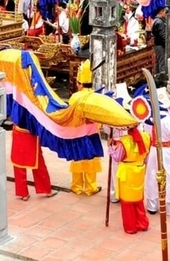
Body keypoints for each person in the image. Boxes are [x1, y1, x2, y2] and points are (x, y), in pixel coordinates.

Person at [109, 122, 150, 234]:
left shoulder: (124, 142)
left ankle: (131, 227)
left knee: (127, 202)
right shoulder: (146, 136)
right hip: (139, 168)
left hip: (127, 171)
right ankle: (142, 223)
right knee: (138, 199)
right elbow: (147, 153)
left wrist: (111, 147)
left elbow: (117, 157)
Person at [144, 88, 170, 216]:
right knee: (169, 176)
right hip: (168, 151)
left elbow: (147, 135)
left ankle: (152, 205)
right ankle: (169, 207)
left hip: (154, 149)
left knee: (152, 176)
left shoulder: (150, 119)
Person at [68, 60, 101, 196]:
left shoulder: (74, 98)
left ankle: (76, 186)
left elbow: (70, 115)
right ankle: (90, 187)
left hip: (77, 133)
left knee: (77, 158)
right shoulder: (96, 97)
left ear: (80, 83)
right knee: (90, 160)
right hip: (92, 133)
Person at [11, 125, 56, 200]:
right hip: (30, 132)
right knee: (38, 162)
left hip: (19, 130)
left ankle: (23, 194)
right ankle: (46, 190)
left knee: (19, 162)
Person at [150, 7, 168, 79]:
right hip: (160, 44)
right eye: (164, 12)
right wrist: (167, 44)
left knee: (158, 61)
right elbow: (163, 35)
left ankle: (156, 77)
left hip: (157, 44)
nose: (165, 14)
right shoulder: (160, 22)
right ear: (161, 12)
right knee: (162, 62)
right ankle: (162, 78)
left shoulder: (155, 20)